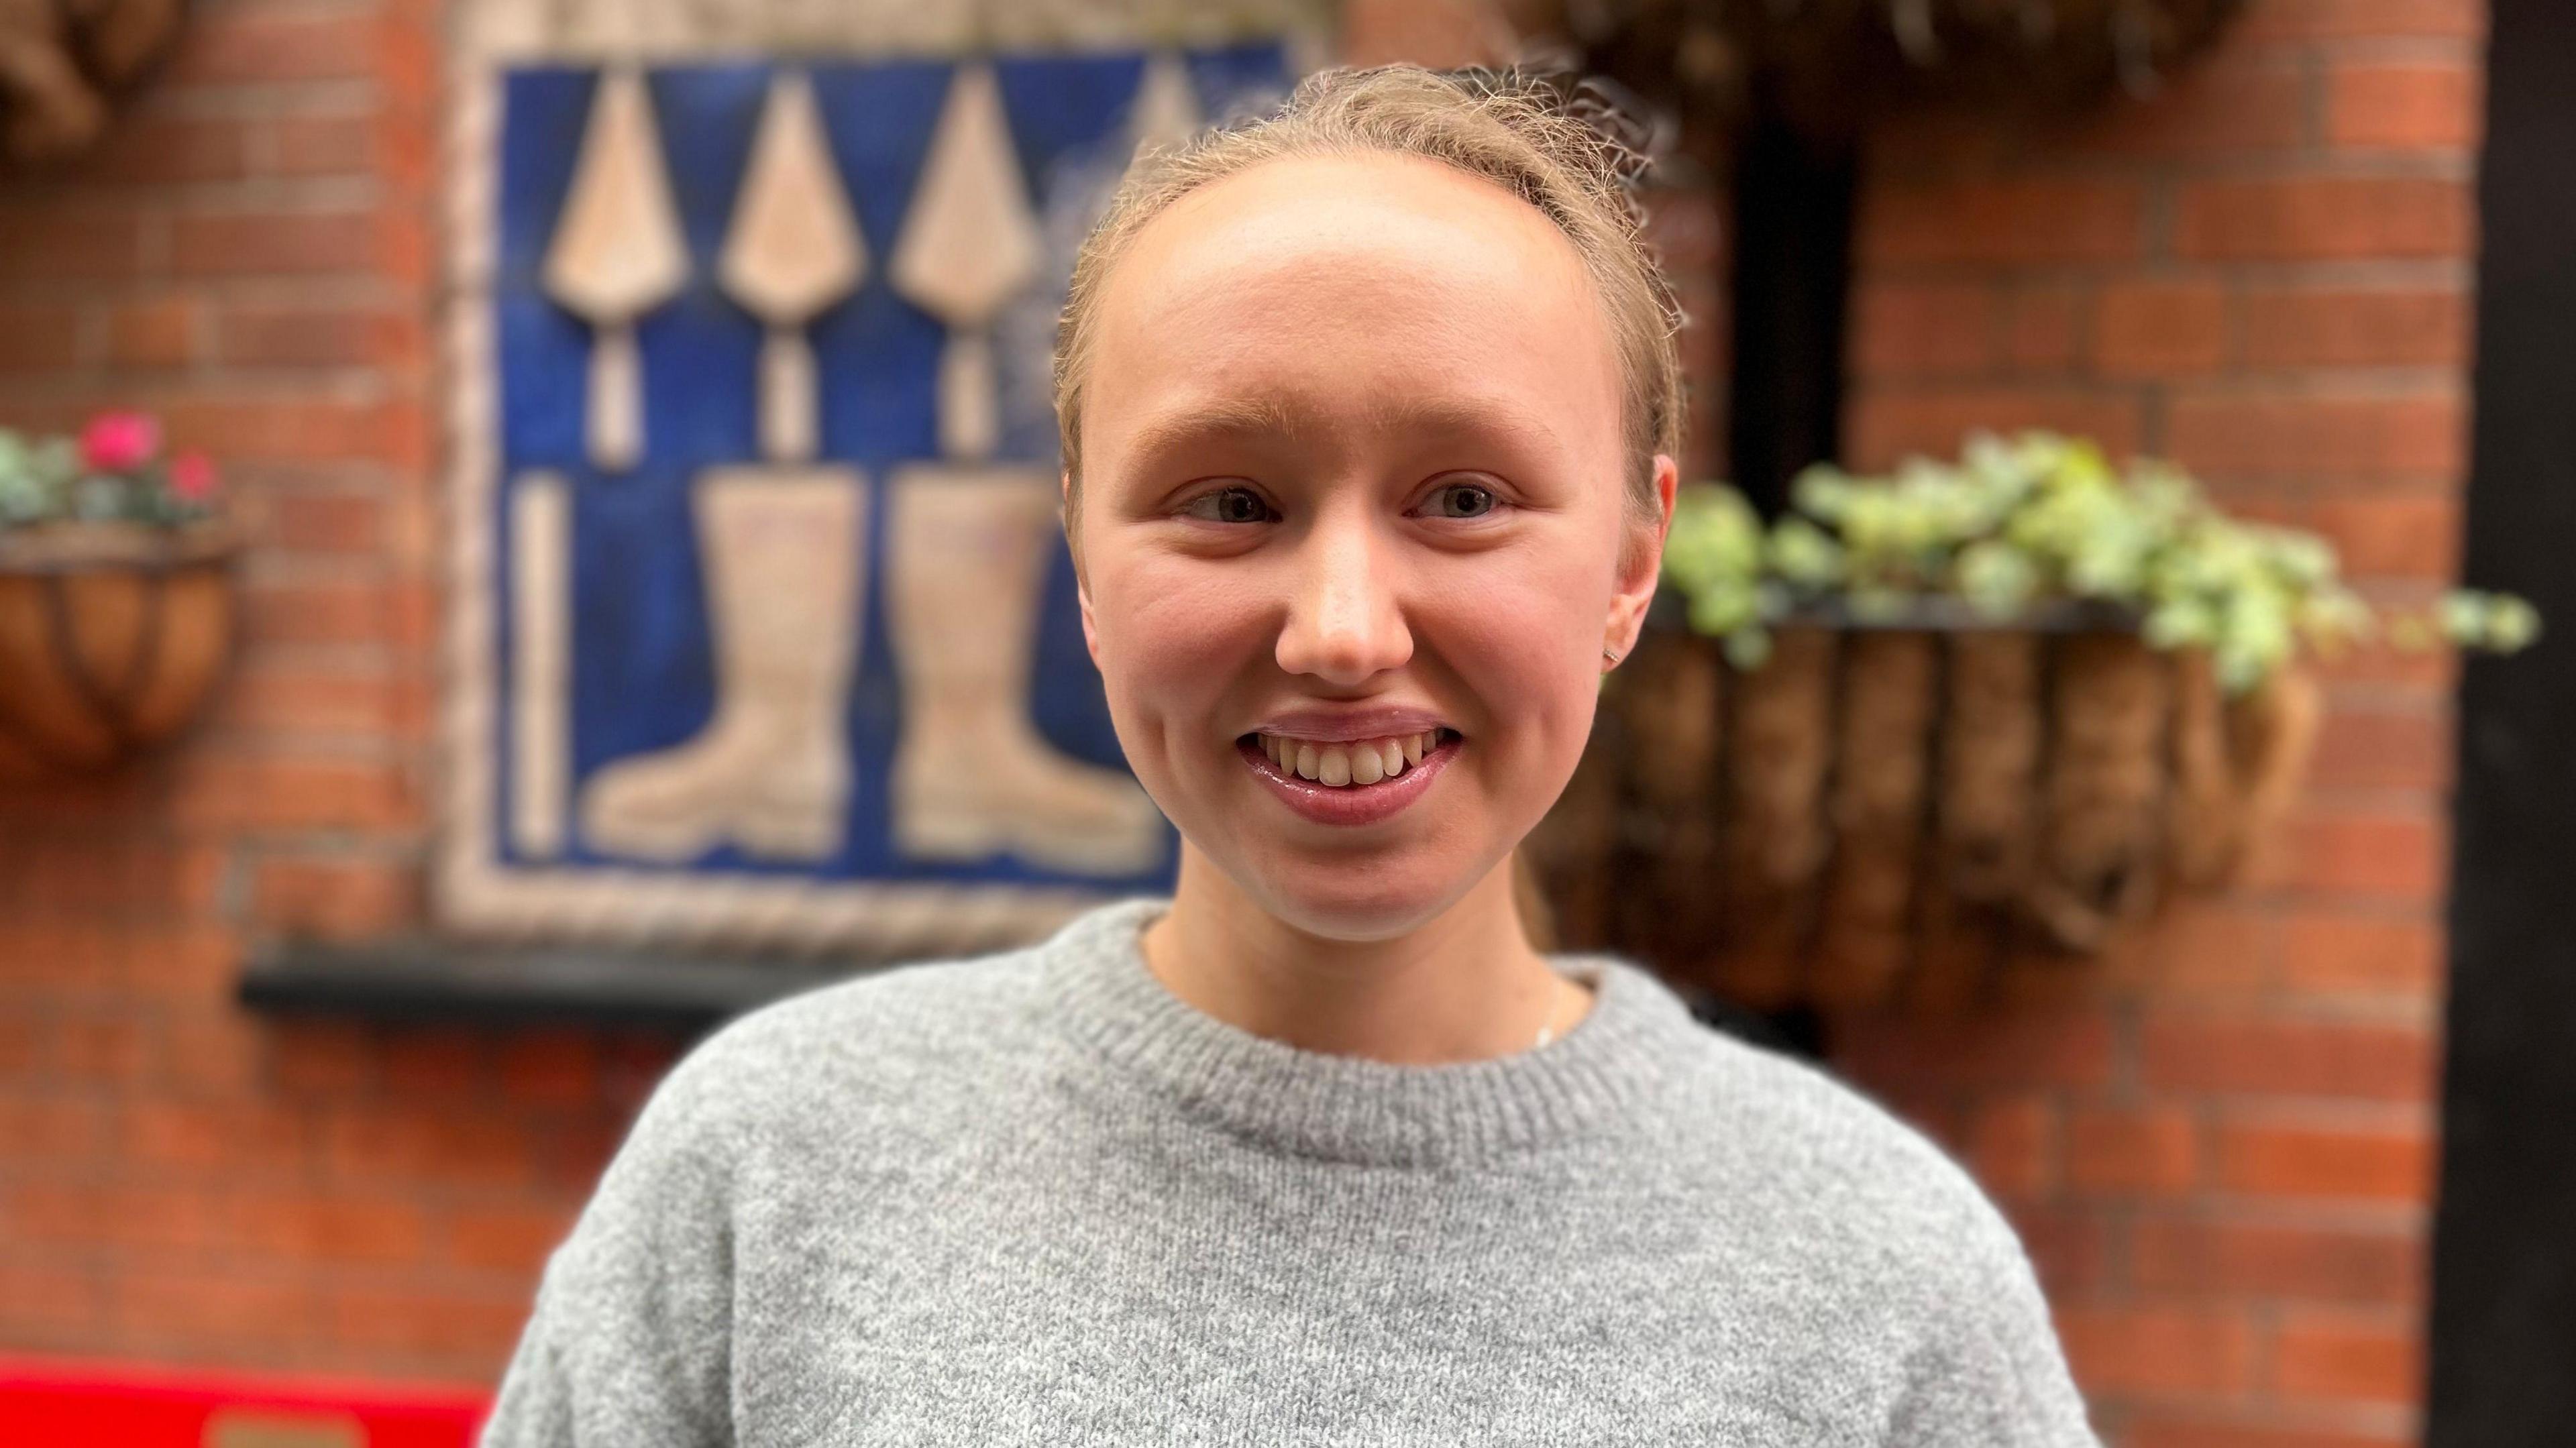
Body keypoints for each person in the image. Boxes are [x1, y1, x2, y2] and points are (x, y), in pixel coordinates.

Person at [477, 62, 2102, 1446]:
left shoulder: (1884, 1280)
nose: (1341, 630)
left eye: (1463, 499)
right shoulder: (771, 1171)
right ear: (1085, 559)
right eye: (1228, 502)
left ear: (1628, 560)